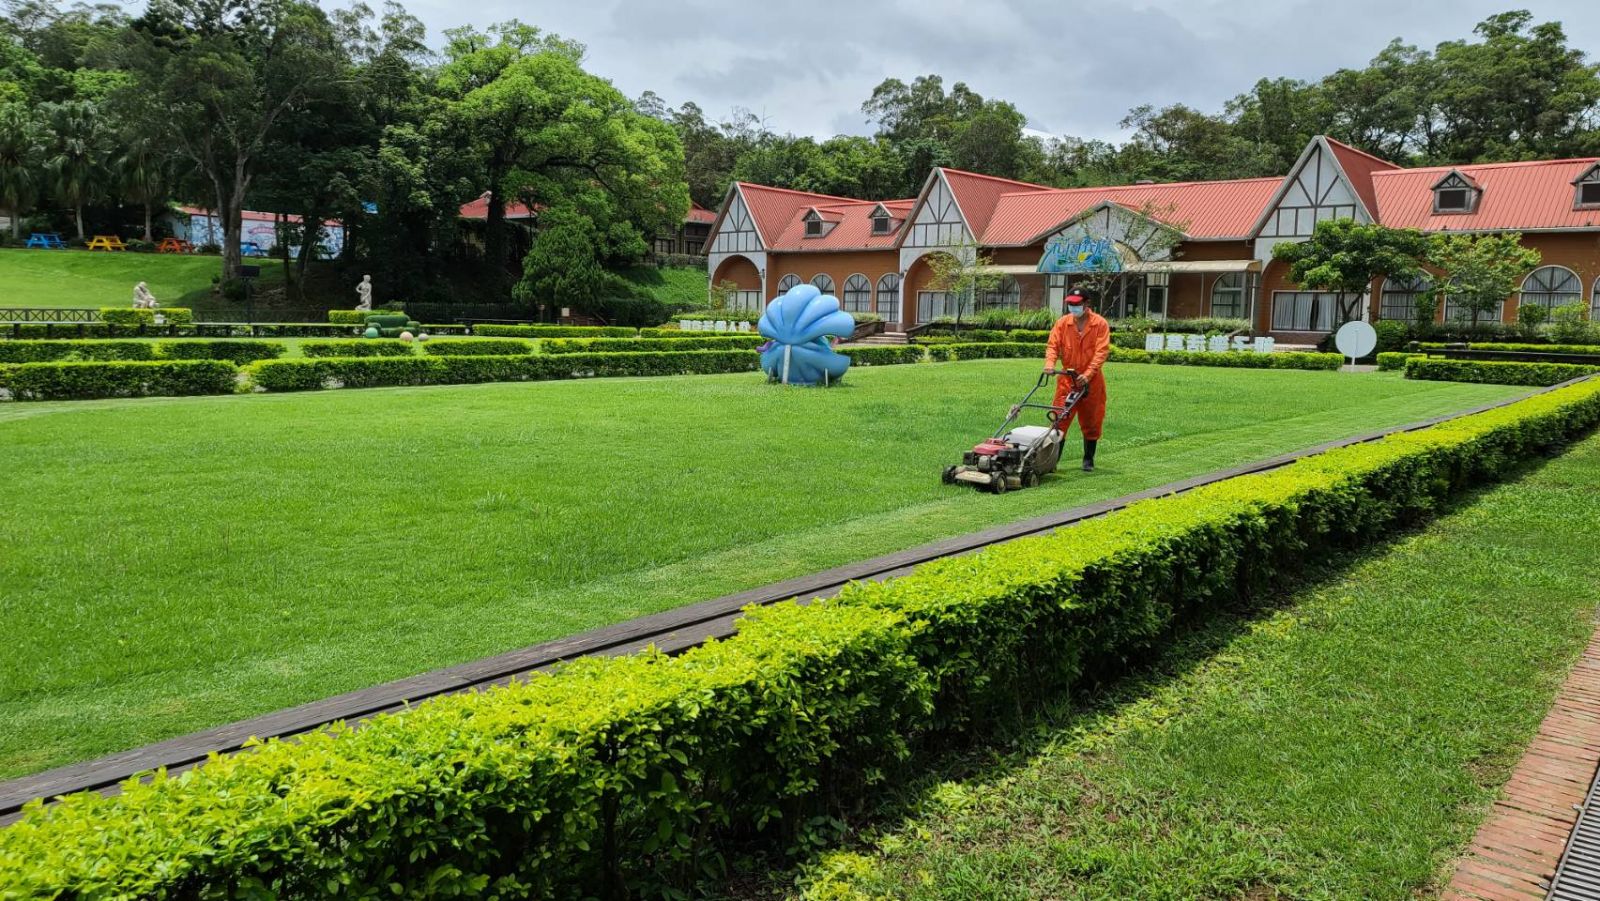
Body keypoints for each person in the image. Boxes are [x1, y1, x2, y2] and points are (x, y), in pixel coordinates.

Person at [1042, 287, 1111, 471]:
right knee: (1059, 419)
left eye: (1076, 304)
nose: (1073, 307)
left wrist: (1088, 374)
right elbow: (1053, 345)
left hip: (1092, 381)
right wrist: (1050, 364)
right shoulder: (1063, 323)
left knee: (1092, 419)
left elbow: (1101, 351)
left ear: (1087, 304)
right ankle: (1052, 462)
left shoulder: (1100, 324)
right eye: (1070, 304)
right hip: (1067, 379)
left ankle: (1088, 460)